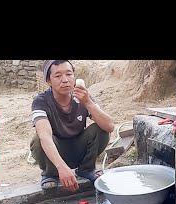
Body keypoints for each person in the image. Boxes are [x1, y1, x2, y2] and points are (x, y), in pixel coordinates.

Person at [30, 60, 114, 192]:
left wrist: (88, 103)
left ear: (74, 77)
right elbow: (45, 137)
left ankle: (86, 169)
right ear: (48, 81)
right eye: (58, 76)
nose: (65, 80)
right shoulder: (41, 101)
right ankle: (51, 174)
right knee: (38, 140)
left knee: (101, 129)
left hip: (78, 147)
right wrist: (62, 167)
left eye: (69, 74)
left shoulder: (82, 96)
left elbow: (110, 126)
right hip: (55, 151)